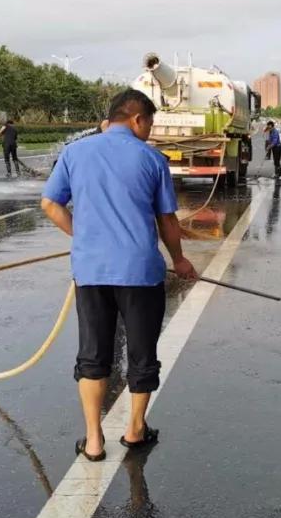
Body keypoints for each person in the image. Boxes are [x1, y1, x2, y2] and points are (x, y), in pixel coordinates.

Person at [40, 89, 198, 462]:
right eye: (150, 124)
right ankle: (135, 430)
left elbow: (50, 204)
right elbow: (167, 220)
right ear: (138, 119)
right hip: (140, 273)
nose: (149, 131)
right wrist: (180, 260)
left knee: (93, 355)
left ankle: (94, 441)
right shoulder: (151, 159)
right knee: (142, 354)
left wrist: (84, 237)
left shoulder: (75, 152)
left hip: (91, 271)